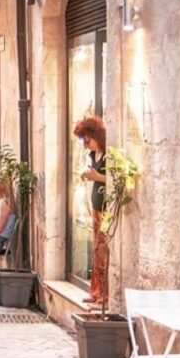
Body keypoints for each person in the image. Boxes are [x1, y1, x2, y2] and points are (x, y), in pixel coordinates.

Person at [74, 116, 109, 307]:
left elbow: (113, 180)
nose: (85, 145)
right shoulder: (92, 155)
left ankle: (104, 295)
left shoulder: (108, 155)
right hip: (95, 207)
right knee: (96, 249)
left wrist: (97, 176)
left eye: (87, 140)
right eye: (83, 141)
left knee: (102, 249)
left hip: (106, 208)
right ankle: (95, 291)